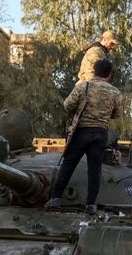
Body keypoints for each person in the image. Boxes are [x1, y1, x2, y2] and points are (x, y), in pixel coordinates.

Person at [46, 59, 123, 215]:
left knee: (68, 165)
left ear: (94, 71)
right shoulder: (115, 92)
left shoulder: (83, 87)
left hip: (81, 131)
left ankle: (55, 199)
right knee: (95, 170)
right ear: (109, 74)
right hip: (101, 133)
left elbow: (67, 105)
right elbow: (117, 114)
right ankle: (90, 205)